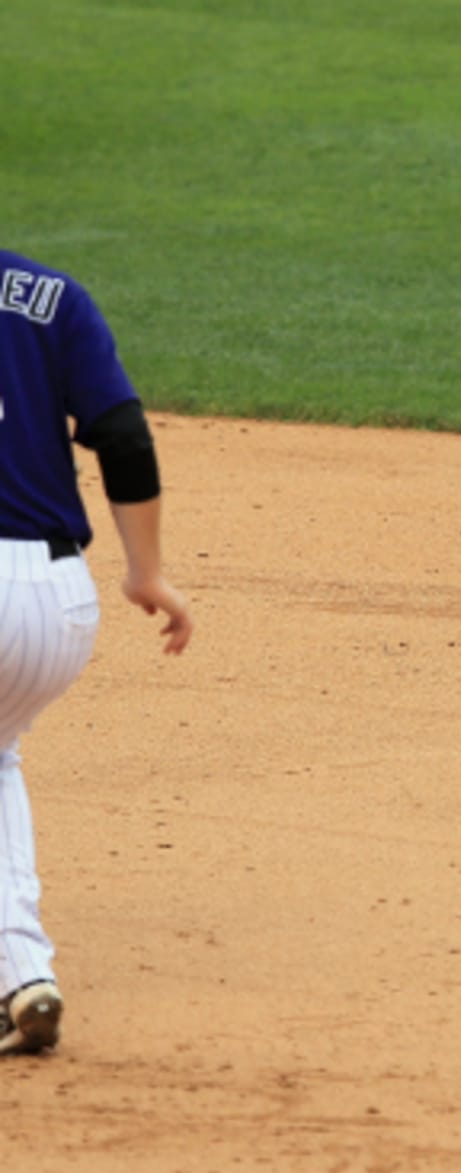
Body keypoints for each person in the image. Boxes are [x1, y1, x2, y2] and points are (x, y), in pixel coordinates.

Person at [0, 248, 193, 1055]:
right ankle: (20, 975)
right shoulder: (50, 294)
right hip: (52, 606)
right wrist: (146, 571)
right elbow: (121, 433)